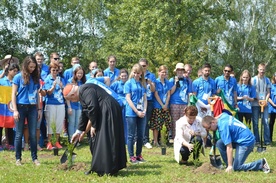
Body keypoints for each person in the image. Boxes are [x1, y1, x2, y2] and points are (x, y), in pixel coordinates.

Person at [64, 83, 127, 176]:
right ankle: (101, 167)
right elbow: (85, 112)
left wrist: (94, 125)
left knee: (106, 139)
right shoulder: (82, 93)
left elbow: (93, 107)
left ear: (73, 95)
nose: (72, 101)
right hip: (105, 111)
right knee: (100, 139)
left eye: (71, 99)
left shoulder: (85, 90)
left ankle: (108, 168)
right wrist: (78, 131)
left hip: (108, 110)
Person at [201, 113, 270, 173]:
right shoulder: (222, 117)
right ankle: (230, 164)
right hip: (240, 139)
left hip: (246, 142)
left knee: (237, 168)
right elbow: (222, 114)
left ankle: (261, 163)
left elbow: (229, 147)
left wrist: (231, 166)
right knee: (220, 143)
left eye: (209, 128)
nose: (210, 130)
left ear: (213, 122)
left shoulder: (223, 128)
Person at [12, 56, 42, 166]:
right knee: (19, 134)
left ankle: (35, 158)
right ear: (25, 65)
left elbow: (37, 94)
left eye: (34, 67)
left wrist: (39, 109)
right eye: (30, 67)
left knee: (33, 134)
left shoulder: (36, 78)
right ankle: (18, 159)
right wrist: (15, 110)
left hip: (33, 108)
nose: (32, 69)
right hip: (20, 107)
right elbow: (13, 95)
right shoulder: (18, 77)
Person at [124, 63, 147, 163]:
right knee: (131, 135)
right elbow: (128, 98)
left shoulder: (143, 84)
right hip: (131, 112)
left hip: (142, 111)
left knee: (140, 135)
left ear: (141, 73)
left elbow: (145, 98)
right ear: (132, 72)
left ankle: (139, 154)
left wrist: (144, 110)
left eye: (138, 73)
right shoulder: (128, 83)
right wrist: (137, 111)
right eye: (135, 72)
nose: (136, 74)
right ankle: (131, 155)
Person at [43, 62, 65, 150]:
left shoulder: (60, 78)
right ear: (50, 70)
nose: (55, 72)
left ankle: (56, 141)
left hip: (60, 103)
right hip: (50, 103)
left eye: (57, 70)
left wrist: (62, 86)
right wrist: (53, 86)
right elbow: (48, 93)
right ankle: (49, 142)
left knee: (59, 123)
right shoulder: (47, 79)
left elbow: (65, 92)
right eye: (53, 70)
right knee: (50, 123)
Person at [150, 65, 172, 146]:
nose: (164, 74)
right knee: (156, 124)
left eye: (165, 72)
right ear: (159, 73)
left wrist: (166, 104)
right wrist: (162, 105)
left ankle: (163, 141)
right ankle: (155, 141)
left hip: (166, 106)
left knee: (166, 124)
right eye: (162, 72)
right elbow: (156, 94)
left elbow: (169, 94)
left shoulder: (168, 82)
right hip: (158, 106)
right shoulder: (155, 82)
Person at [169, 63, 192, 140]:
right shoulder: (172, 80)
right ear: (176, 71)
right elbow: (170, 92)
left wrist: (189, 104)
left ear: (183, 71)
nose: (180, 72)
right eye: (178, 70)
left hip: (184, 103)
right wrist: (175, 84)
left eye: (181, 70)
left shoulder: (187, 81)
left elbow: (189, 93)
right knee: (174, 121)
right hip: (174, 103)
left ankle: (183, 138)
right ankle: (175, 137)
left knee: (183, 122)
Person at [0, 63, 19, 151]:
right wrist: (3, 72)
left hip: (11, 107)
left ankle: (10, 144)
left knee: (10, 125)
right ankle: (0, 145)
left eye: (17, 71)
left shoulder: (16, 82)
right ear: (9, 71)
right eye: (14, 71)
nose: (16, 73)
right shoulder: (2, 80)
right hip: (1, 107)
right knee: (0, 126)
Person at [251, 63, 271, 145]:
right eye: (260, 69)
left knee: (265, 121)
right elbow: (253, 92)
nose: (262, 71)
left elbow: (268, 92)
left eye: (263, 70)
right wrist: (259, 100)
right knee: (255, 123)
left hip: (265, 104)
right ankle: (257, 140)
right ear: (258, 69)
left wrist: (265, 101)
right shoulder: (253, 79)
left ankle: (267, 140)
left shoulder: (267, 80)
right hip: (256, 104)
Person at [139, 58, 156, 149]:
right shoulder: (137, 74)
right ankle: (137, 139)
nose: (142, 67)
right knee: (138, 120)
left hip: (149, 100)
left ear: (147, 66)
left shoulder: (152, 75)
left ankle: (145, 140)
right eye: (141, 65)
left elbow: (153, 90)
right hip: (139, 100)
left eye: (144, 66)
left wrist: (150, 83)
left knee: (145, 121)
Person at [66, 64, 86, 139]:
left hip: (80, 106)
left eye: (81, 73)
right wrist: (69, 107)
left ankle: (77, 139)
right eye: (78, 73)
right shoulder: (70, 81)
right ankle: (71, 139)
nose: (80, 75)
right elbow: (67, 95)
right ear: (75, 73)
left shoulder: (83, 82)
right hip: (72, 105)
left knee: (78, 123)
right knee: (72, 122)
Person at [110, 68, 129, 144]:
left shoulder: (129, 83)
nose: (124, 77)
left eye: (125, 76)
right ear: (120, 76)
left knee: (126, 123)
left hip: (127, 105)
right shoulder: (116, 84)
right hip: (118, 105)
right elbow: (110, 92)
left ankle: (126, 140)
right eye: (122, 76)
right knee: (118, 122)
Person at [268, 73, 276, 142]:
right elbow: (268, 97)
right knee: (271, 123)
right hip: (272, 108)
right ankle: (269, 138)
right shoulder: (271, 85)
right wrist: (273, 104)